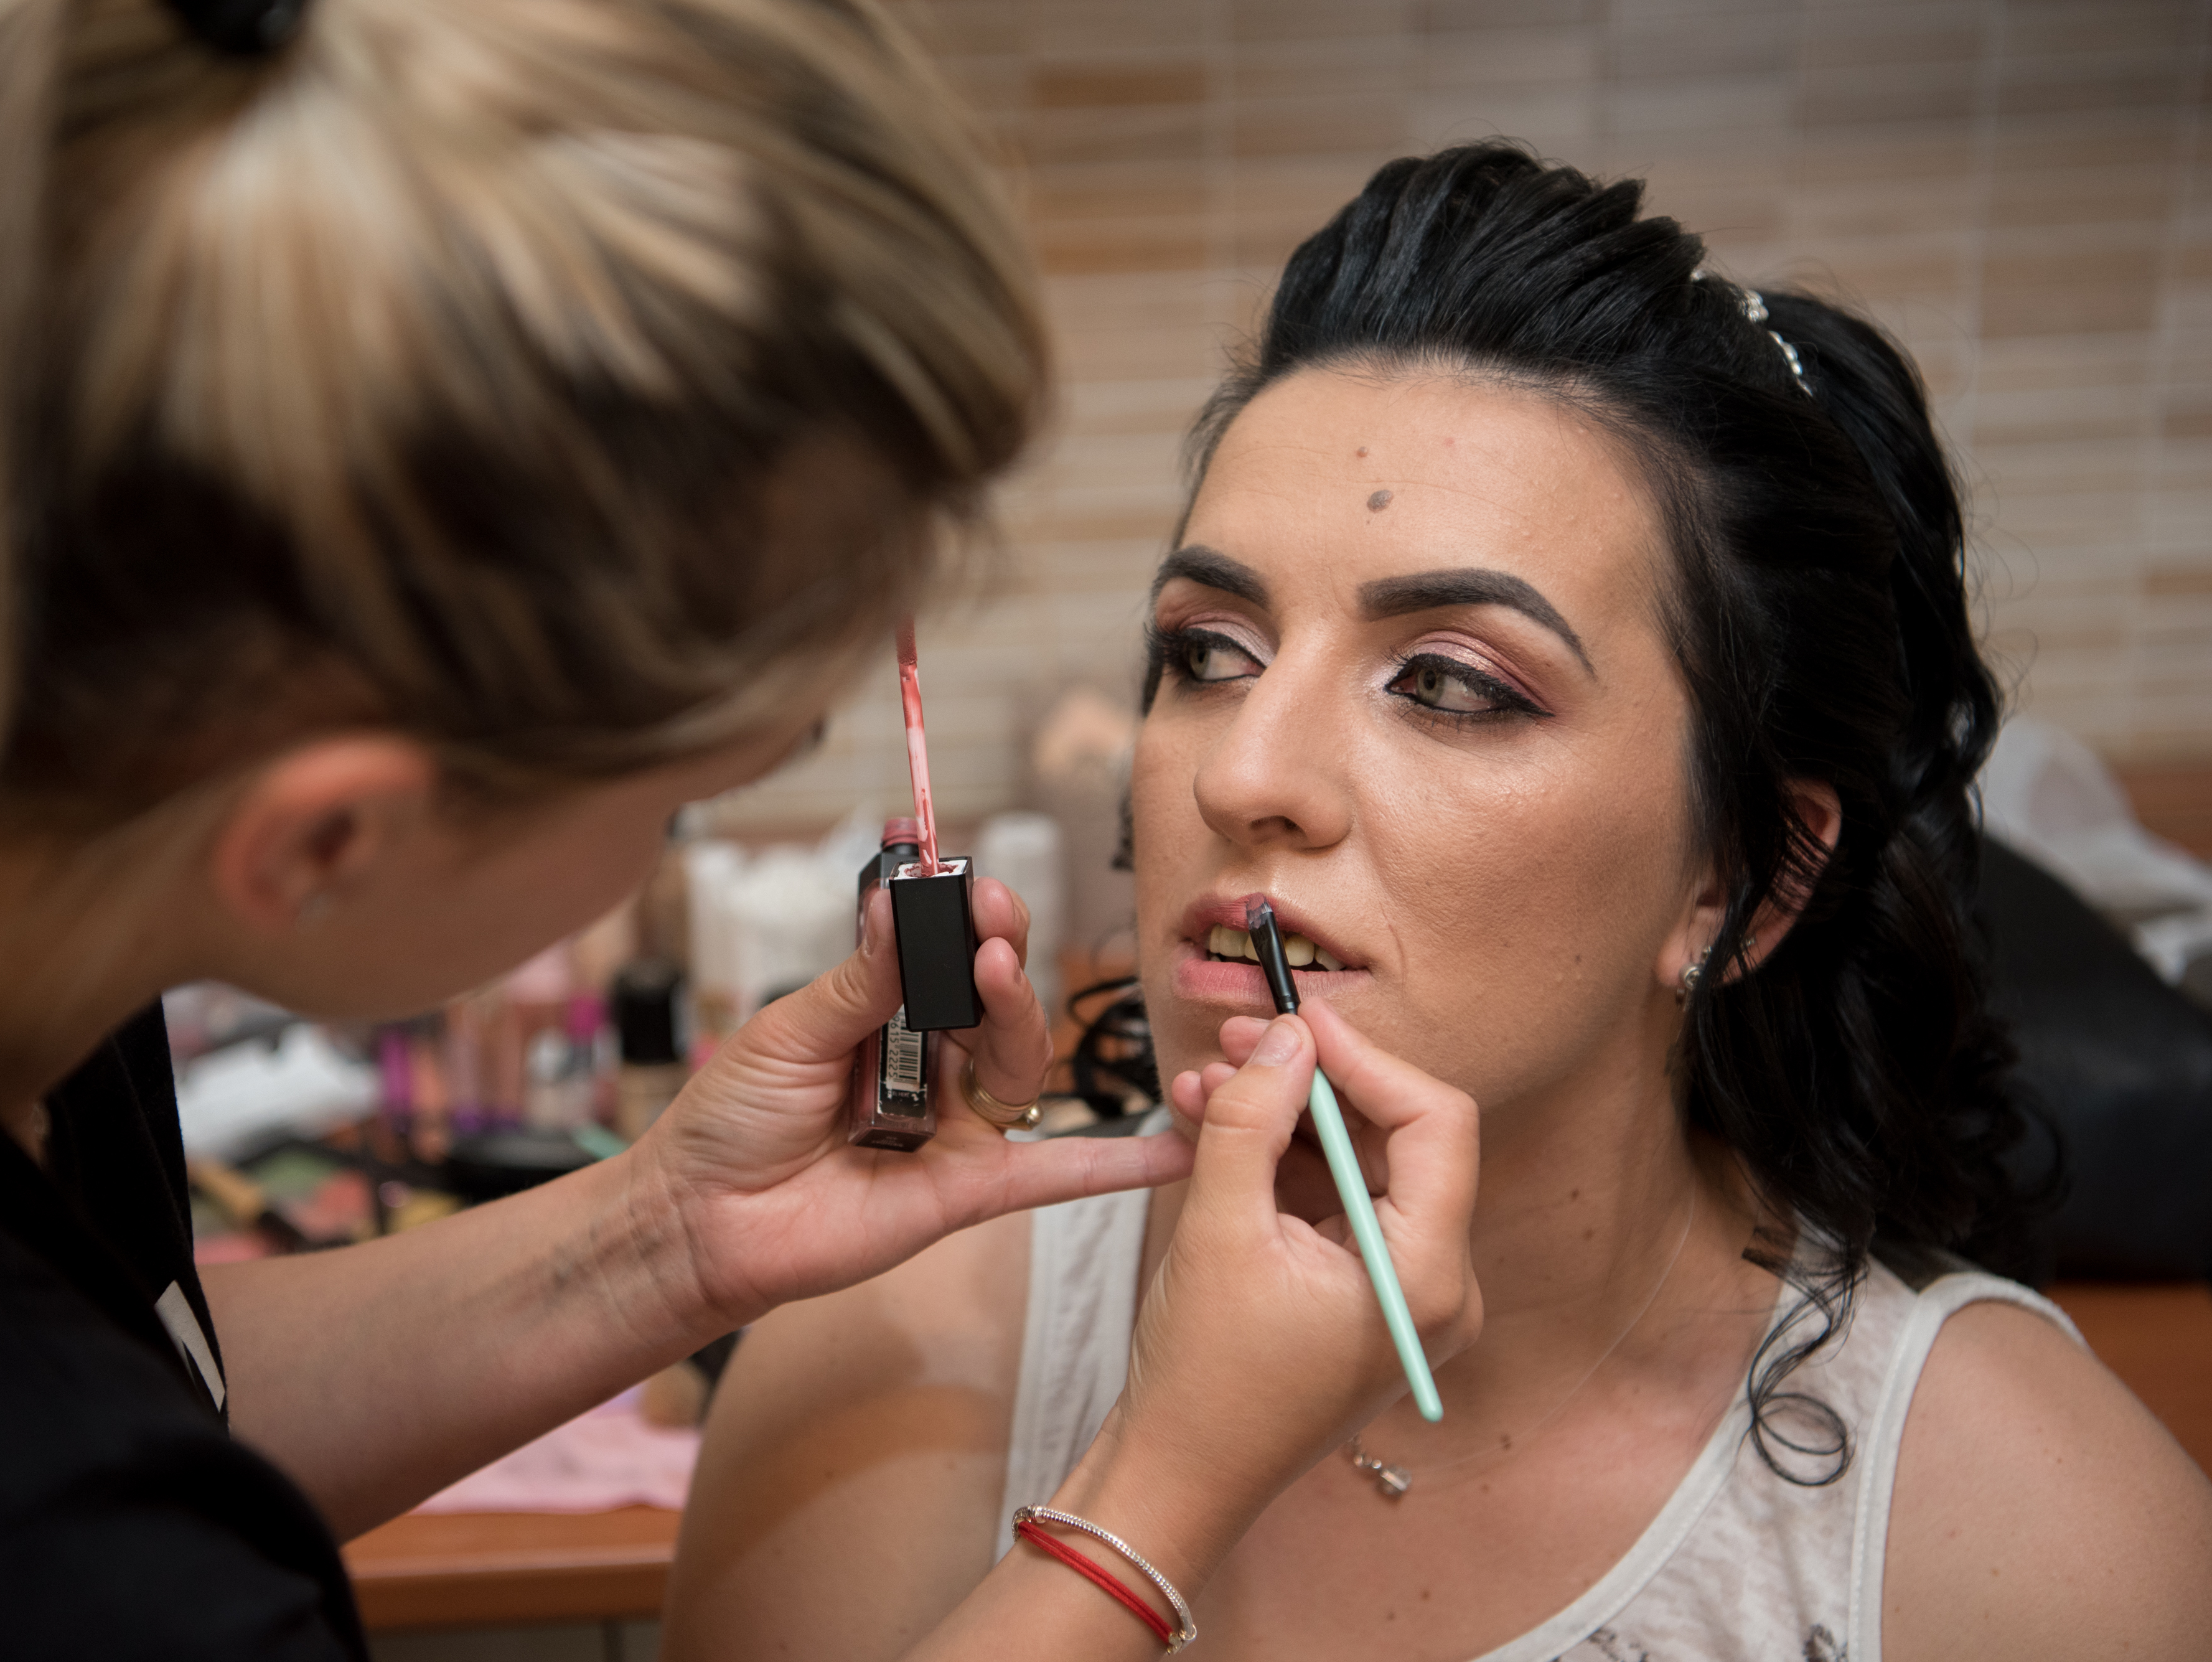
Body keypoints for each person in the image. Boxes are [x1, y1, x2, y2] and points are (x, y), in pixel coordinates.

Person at [0, 2, 1484, 1656]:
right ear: (327, 842)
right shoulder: (15, 1572)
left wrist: (665, 1236)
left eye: (1454, 682)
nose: (1244, 777)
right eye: (684, 787)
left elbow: (137, 1366)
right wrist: (1152, 1501)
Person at [668, 144, 2212, 1661]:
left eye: (1452, 684)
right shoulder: (894, 1349)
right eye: (1206, 652)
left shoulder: (2041, 1546)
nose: (1242, 775)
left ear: (1742, 881)